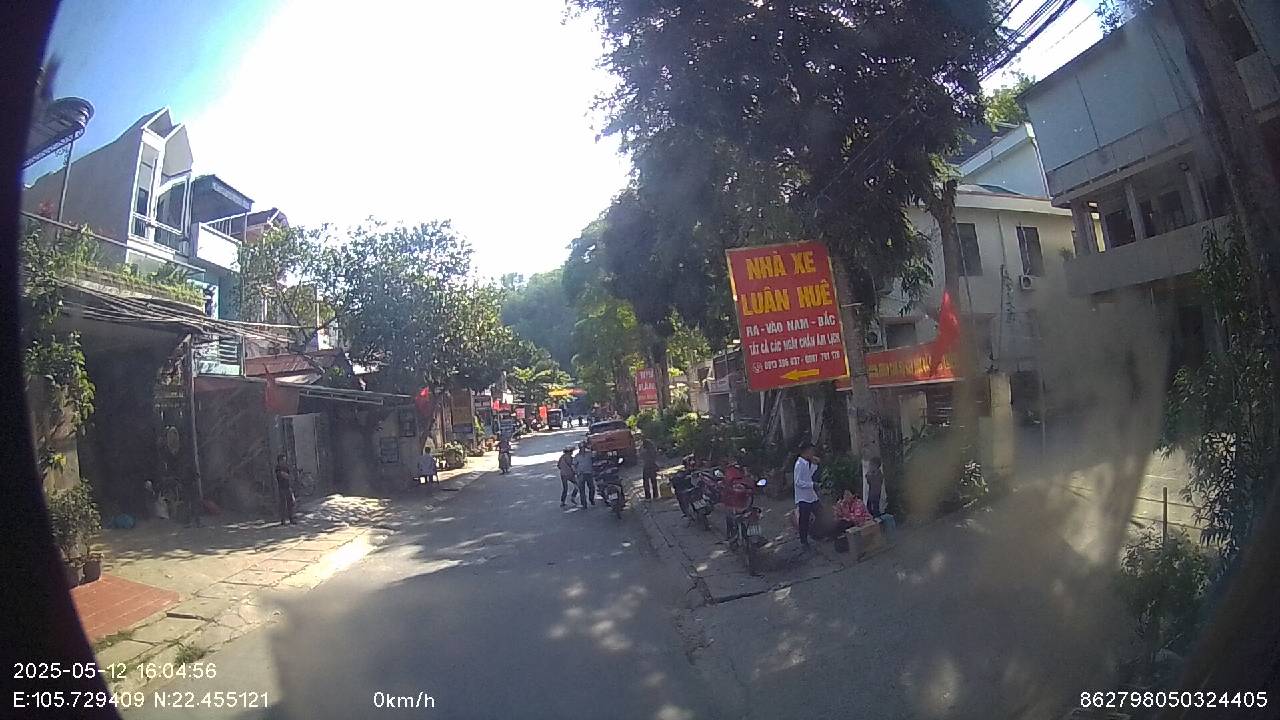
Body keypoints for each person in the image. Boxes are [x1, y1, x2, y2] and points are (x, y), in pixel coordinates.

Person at [793, 442, 820, 549]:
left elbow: (808, 475)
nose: (813, 453)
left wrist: (814, 465)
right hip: (803, 497)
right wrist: (812, 484)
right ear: (807, 451)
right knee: (804, 520)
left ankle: (818, 533)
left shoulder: (806, 463)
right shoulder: (799, 464)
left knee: (820, 514)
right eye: (811, 451)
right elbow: (798, 482)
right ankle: (803, 541)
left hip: (810, 495)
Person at [274, 453, 297, 526]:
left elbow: (289, 476)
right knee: (283, 504)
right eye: (283, 460)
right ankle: (283, 520)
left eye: (285, 460)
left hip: (288, 487)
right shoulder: (278, 468)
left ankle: (291, 519)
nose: (284, 461)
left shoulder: (286, 467)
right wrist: (287, 476)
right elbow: (282, 475)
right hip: (282, 488)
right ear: (280, 461)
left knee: (290, 503)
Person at [573, 441, 596, 508]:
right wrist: (576, 472)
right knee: (582, 490)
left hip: (589, 473)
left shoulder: (589, 454)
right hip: (581, 474)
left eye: (583, 447)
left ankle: (591, 499)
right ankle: (584, 504)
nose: (582, 449)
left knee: (592, 488)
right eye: (581, 448)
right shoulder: (577, 456)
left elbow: (595, 456)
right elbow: (574, 465)